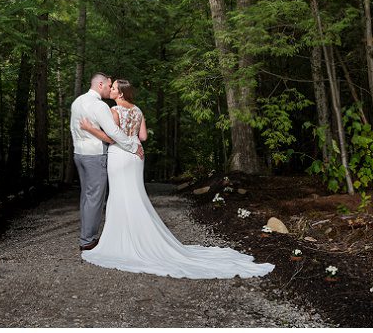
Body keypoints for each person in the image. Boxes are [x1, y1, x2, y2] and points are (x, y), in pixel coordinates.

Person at [79, 78, 274, 279]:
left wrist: (90, 129)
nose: (110, 90)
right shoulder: (138, 111)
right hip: (137, 156)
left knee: (120, 195)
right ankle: (141, 237)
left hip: (120, 155)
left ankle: (122, 241)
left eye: (113, 88)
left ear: (120, 93)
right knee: (135, 195)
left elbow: (112, 137)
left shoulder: (114, 111)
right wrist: (132, 139)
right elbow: (143, 136)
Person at [70, 72, 144, 252]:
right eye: (109, 85)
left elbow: (74, 128)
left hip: (79, 153)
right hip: (95, 155)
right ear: (100, 84)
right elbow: (114, 134)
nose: (110, 88)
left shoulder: (77, 102)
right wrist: (133, 147)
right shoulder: (100, 106)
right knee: (95, 198)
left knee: (87, 196)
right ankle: (88, 240)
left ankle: (86, 235)